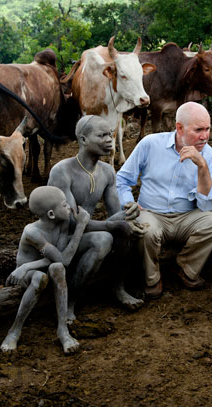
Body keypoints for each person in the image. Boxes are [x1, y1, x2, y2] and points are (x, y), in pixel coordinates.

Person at [116, 101, 212, 298]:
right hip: (152, 213)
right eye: (198, 130)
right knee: (146, 230)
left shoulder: (210, 157)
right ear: (179, 128)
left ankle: (185, 268)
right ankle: (152, 279)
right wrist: (129, 204)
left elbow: (207, 206)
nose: (205, 136)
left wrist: (202, 167)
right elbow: (123, 179)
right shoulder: (151, 144)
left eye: (208, 129)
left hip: (188, 215)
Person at [47, 115, 147, 315]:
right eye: (102, 135)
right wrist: (113, 225)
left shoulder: (108, 171)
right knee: (102, 239)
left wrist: (130, 212)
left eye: (110, 134)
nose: (109, 139)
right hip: (62, 239)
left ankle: (118, 287)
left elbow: (115, 212)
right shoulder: (63, 171)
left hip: (87, 231)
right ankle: (70, 301)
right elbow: (72, 222)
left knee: (131, 222)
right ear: (83, 140)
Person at [1, 186, 89, 354]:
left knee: (57, 268)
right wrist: (80, 226)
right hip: (27, 275)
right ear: (50, 214)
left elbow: (61, 260)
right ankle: (14, 330)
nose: (70, 208)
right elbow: (65, 258)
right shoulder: (32, 232)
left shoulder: (61, 222)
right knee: (40, 278)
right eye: (64, 205)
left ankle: (62, 330)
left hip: (45, 266)